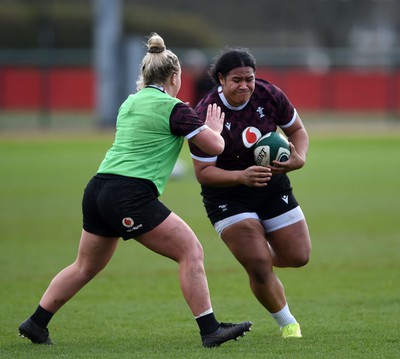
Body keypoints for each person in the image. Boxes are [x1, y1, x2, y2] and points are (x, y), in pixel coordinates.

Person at [18, 34, 252, 348]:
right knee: (191, 251)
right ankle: (210, 330)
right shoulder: (175, 109)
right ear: (174, 77)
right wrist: (214, 129)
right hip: (129, 195)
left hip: (98, 188)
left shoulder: (130, 102)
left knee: (85, 266)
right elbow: (216, 146)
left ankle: (36, 323)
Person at [189, 47, 311, 339]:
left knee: (298, 256)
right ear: (221, 79)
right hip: (227, 196)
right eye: (236, 80)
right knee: (258, 265)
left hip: (271, 185)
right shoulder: (205, 113)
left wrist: (300, 158)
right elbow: (203, 173)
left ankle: (257, 253)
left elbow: (298, 131)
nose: (244, 85)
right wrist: (240, 176)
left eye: (249, 78)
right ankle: (288, 324)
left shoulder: (269, 94)